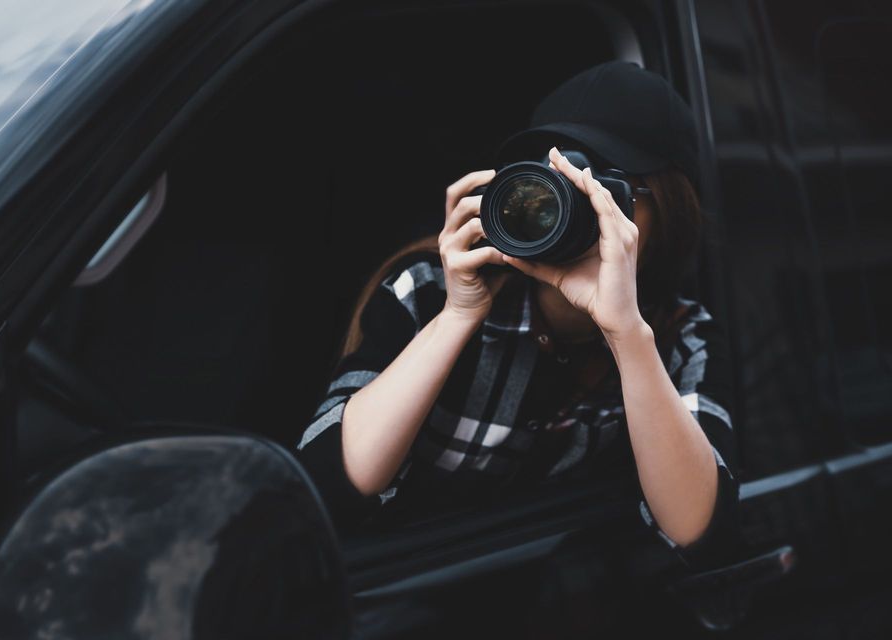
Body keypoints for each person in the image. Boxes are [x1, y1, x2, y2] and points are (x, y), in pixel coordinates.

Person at [294, 61, 740, 572]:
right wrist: (459, 315)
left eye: (599, 189)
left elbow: (699, 532)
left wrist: (627, 335)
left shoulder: (679, 336)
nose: (565, 206)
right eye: (546, 185)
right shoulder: (434, 289)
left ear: (666, 210)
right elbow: (325, 488)